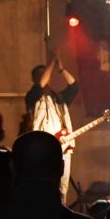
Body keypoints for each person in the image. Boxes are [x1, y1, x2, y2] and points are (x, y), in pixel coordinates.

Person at [25, 54, 80, 199]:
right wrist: (51, 62)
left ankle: (60, 208)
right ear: (34, 79)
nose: (46, 76)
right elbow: (40, 86)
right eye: (41, 75)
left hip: (62, 146)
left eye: (46, 74)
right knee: (44, 184)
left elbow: (74, 87)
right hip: (43, 148)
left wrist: (61, 69)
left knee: (62, 186)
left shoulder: (59, 98)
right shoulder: (32, 97)